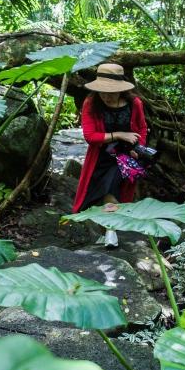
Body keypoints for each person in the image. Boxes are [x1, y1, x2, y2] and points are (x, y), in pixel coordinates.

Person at [71, 62, 148, 248]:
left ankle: (111, 231)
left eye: (111, 92)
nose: (106, 96)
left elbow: (141, 128)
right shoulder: (91, 103)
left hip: (125, 158)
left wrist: (138, 148)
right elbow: (90, 136)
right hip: (100, 158)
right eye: (102, 92)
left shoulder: (135, 103)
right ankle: (106, 230)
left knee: (110, 190)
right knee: (97, 196)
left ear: (121, 90)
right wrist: (120, 134)